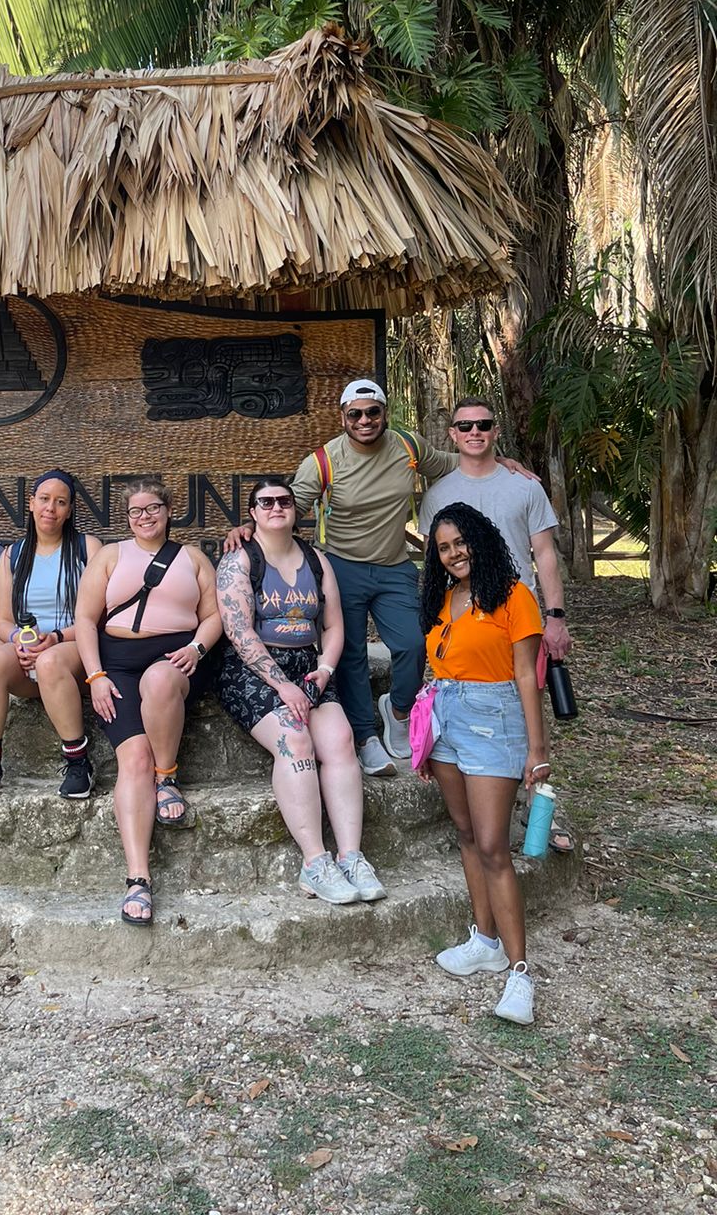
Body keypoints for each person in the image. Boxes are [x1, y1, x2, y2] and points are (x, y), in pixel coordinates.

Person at [224, 377, 532, 778]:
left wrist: (499, 461)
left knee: (414, 642)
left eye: (373, 412)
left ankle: (398, 711)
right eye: (355, 414)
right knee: (350, 653)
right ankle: (366, 737)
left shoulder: (408, 446)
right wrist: (247, 527)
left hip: (394, 565)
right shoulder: (324, 461)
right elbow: (285, 505)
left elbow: (452, 461)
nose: (365, 420)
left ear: (385, 413)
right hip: (343, 566)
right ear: (343, 417)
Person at [215, 477, 386, 905]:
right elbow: (239, 633)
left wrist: (325, 669)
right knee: (294, 739)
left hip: (309, 667)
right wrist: (282, 685)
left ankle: (351, 856)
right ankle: (314, 862)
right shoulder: (240, 561)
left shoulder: (315, 560)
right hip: (252, 670)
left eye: (284, 501)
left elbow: (333, 625)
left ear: (295, 509)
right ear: (252, 513)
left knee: (340, 739)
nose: (276, 507)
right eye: (266, 502)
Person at [419, 394, 576, 853]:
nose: (475, 433)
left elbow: (544, 553)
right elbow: (436, 562)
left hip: (517, 614)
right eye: (465, 426)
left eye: (483, 425)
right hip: (468, 622)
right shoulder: (439, 494)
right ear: (452, 434)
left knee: (528, 703)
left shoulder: (523, 485)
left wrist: (555, 616)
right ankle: (484, 813)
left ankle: (539, 805)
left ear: (496, 430)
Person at [417, 502, 548, 1025]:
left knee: (494, 846)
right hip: (446, 716)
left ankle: (521, 974)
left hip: (495, 718)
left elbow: (526, 676)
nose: (454, 554)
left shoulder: (514, 596)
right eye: (443, 548)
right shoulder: (443, 597)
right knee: (468, 834)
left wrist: (537, 751)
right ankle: (486, 941)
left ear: (480, 539)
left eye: (460, 542)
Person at [74, 479, 223, 927]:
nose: (145, 517)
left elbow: (214, 615)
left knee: (159, 681)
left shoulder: (193, 557)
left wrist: (197, 648)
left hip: (178, 658)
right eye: (136, 511)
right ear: (127, 517)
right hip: (117, 663)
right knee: (134, 758)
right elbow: (86, 618)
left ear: (168, 509)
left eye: (153, 507)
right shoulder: (110, 556)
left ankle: (168, 776)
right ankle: (138, 878)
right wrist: (95, 676)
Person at [0, 469, 102, 801]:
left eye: (60, 502)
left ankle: (78, 764)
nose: (50, 508)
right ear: (31, 503)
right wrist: (19, 641)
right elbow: (2, 622)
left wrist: (54, 638)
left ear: (69, 510)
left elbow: (100, 616)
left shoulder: (88, 548)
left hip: (73, 649)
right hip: (29, 653)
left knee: (50, 661)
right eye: (44, 499)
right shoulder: (13, 555)